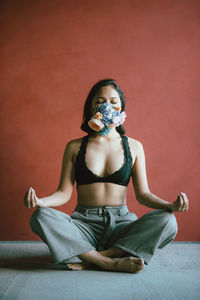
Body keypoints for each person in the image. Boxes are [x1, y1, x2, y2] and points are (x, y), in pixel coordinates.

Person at [24, 79, 189, 273]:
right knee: (40, 217)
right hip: (83, 225)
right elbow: (63, 193)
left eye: (112, 101)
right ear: (91, 107)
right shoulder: (75, 146)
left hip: (121, 226)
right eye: (100, 101)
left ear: (121, 107)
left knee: (168, 221)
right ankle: (110, 262)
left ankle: (94, 258)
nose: (107, 106)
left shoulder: (134, 147)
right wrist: (41, 202)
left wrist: (169, 206)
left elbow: (143, 195)